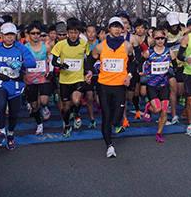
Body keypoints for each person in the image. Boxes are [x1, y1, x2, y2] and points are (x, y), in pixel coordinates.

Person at [85, 17, 137, 158]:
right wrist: (89, 72)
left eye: (119, 26)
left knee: (116, 118)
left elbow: (133, 63)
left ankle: (115, 125)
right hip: (104, 86)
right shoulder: (100, 46)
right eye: (114, 26)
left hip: (120, 86)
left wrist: (130, 76)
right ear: (109, 28)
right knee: (106, 117)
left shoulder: (127, 46)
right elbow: (89, 62)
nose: (117, 29)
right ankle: (109, 146)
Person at [0, 23, 37, 150]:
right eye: (6, 35)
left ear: (15, 35)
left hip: (16, 83)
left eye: (12, 34)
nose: (9, 37)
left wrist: (21, 64)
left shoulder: (20, 48)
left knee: (14, 113)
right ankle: (1, 131)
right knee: (0, 105)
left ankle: (10, 135)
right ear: (1, 35)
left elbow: (32, 62)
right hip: (0, 82)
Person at [51, 19, 91, 137]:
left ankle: (77, 114)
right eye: (71, 33)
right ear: (68, 32)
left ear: (79, 33)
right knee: (66, 106)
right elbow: (53, 61)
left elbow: (88, 59)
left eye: (76, 33)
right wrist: (61, 65)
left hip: (78, 78)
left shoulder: (84, 44)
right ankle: (67, 124)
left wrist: (87, 71)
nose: (73, 35)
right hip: (64, 80)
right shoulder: (60, 45)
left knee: (76, 100)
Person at [141, 27, 172, 142]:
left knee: (164, 110)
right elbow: (142, 64)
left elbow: (172, 64)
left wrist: (171, 70)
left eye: (162, 38)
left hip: (164, 85)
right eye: (157, 38)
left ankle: (159, 133)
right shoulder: (149, 52)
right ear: (153, 39)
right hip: (152, 85)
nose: (160, 40)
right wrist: (143, 78)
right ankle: (148, 108)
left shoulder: (169, 52)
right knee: (157, 109)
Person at [24, 22, 53, 135]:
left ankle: (45, 108)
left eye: (38, 33)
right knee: (34, 105)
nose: (36, 35)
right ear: (29, 34)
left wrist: (50, 71)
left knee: (44, 100)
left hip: (43, 78)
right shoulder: (25, 47)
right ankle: (39, 124)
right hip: (31, 79)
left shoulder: (46, 46)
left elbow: (51, 59)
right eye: (33, 33)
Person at [164, 12, 184, 125]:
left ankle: (174, 106)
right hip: (170, 65)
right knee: (173, 89)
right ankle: (174, 114)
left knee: (180, 91)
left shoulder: (183, 32)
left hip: (182, 64)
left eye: (175, 24)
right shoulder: (165, 34)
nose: (174, 27)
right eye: (172, 25)